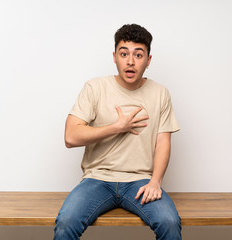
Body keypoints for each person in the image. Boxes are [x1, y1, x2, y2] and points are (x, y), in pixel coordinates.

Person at [54, 24, 182, 240]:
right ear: (114, 57)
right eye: (124, 54)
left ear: (148, 60)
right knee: (66, 222)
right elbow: (70, 137)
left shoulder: (160, 93)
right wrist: (117, 127)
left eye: (138, 55)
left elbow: (163, 143)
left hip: (140, 181)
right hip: (97, 180)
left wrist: (155, 182)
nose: (130, 61)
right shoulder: (95, 88)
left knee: (169, 222)